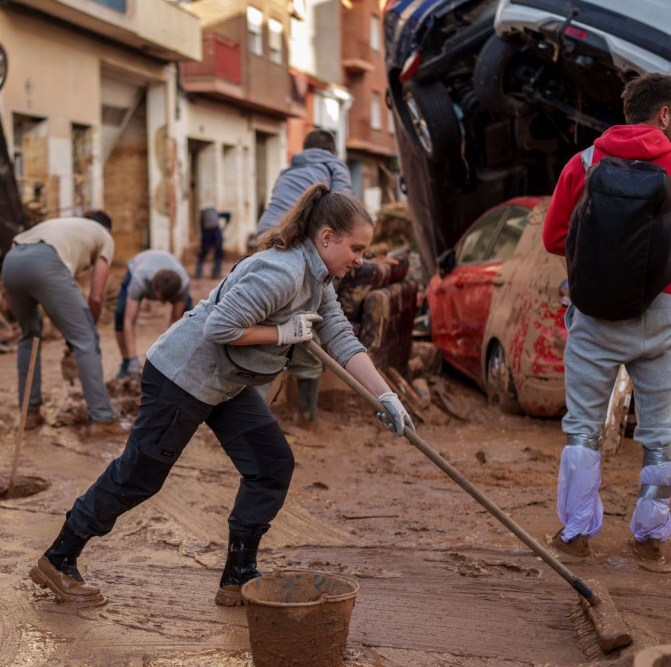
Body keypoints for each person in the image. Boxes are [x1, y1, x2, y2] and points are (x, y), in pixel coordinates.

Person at [28, 185, 414, 607]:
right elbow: (220, 328)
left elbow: (340, 336)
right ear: (326, 238)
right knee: (139, 476)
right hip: (182, 375)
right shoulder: (282, 272)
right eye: (356, 248)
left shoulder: (317, 278)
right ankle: (59, 558)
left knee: (271, 464)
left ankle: (238, 575)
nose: (360, 259)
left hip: (228, 382)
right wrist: (283, 333)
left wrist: (385, 395)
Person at [541, 73, 671, 567]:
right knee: (660, 433)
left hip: (593, 313)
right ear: (663, 114)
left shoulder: (584, 163)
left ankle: (576, 532)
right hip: (659, 316)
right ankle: (650, 536)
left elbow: (554, 237)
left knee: (582, 428)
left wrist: (596, 255)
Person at [252, 129, 354, 428]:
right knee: (309, 322)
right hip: (296, 247)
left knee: (262, 329)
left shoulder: (288, 170)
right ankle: (307, 417)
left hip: (263, 241)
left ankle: (252, 419)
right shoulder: (335, 167)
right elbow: (345, 213)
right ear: (333, 152)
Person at [1, 210, 120, 436]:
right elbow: (96, 296)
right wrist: (87, 331)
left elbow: (58, 305)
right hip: (47, 261)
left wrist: (70, 334)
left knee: (29, 336)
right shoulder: (104, 237)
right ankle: (102, 419)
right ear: (107, 229)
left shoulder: (62, 225)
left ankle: (30, 414)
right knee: (86, 340)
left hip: (12, 262)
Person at [115, 249, 192, 379]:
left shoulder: (183, 284)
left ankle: (183, 365)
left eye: (166, 300)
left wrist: (166, 360)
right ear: (153, 287)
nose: (162, 304)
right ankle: (127, 362)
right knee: (121, 314)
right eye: (161, 299)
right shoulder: (139, 279)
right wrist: (134, 357)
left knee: (189, 321)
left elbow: (175, 322)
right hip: (139, 265)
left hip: (173, 274)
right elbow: (129, 320)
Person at [196, 206, 231, 279]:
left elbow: (202, 229)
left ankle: (198, 272)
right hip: (217, 233)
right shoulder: (216, 214)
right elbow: (228, 214)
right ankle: (216, 273)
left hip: (206, 235)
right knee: (218, 254)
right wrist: (226, 224)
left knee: (203, 253)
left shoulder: (203, 217)